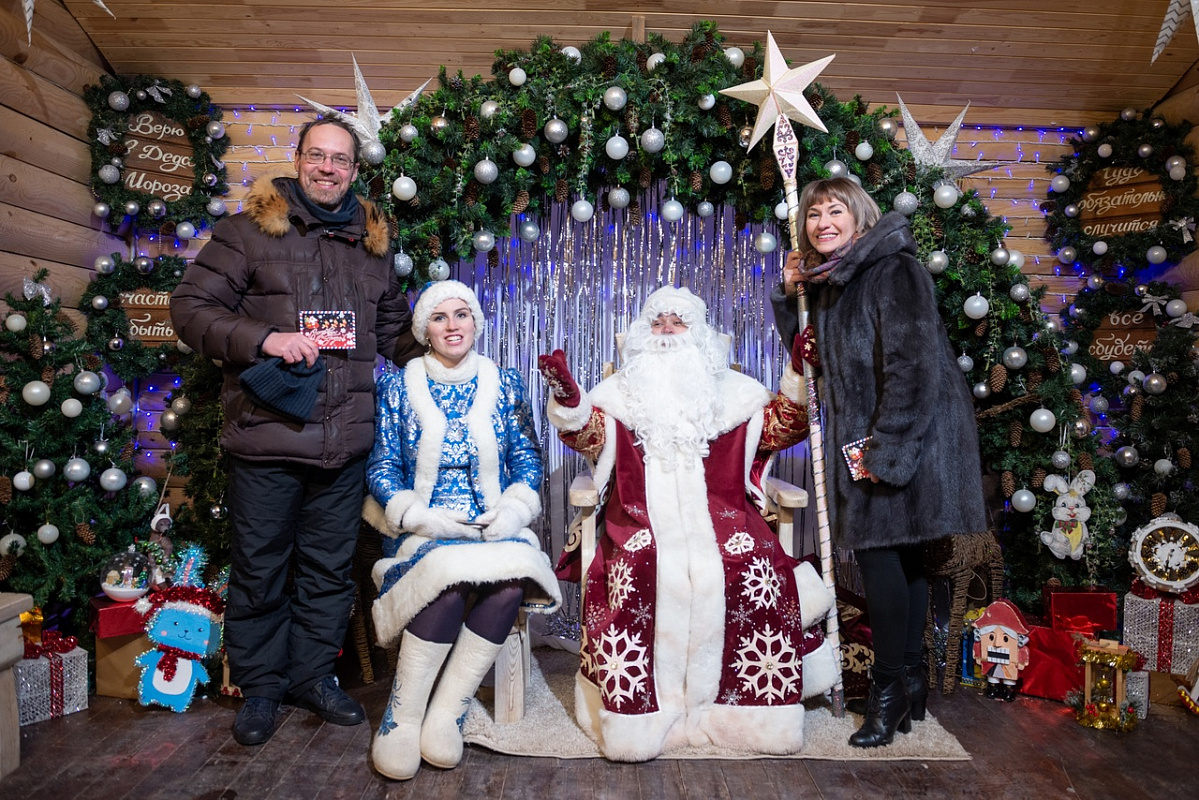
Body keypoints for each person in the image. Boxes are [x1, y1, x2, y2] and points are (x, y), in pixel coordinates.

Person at [170, 117, 424, 747]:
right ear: (299, 159)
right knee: (260, 569)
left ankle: (312, 678)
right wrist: (265, 339)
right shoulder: (248, 230)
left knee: (328, 571)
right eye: (318, 156)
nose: (328, 169)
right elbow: (189, 309)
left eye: (341, 160)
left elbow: (393, 327)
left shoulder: (371, 243)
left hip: (344, 443)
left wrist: (444, 341)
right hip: (269, 436)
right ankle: (259, 688)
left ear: (355, 171)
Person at [538, 286, 839, 762]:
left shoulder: (736, 397)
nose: (667, 333)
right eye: (658, 323)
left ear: (699, 335)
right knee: (640, 564)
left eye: (678, 323)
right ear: (641, 333)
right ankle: (639, 719)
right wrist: (569, 400)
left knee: (756, 565)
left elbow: (787, 424)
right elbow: (588, 433)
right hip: (638, 518)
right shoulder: (621, 396)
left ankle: (748, 715)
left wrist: (800, 373)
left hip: (727, 518)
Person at [772, 177, 986, 747]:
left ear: (859, 217)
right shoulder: (832, 281)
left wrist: (888, 448)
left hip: (904, 433)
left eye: (834, 210)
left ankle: (888, 689)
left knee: (879, 557)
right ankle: (911, 677)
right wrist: (787, 294)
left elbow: (913, 366)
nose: (822, 223)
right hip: (873, 436)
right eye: (813, 215)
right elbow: (808, 355)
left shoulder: (893, 270)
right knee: (906, 557)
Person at [363, 280, 562, 780]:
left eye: (462, 315)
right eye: (440, 318)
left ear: (475, 322)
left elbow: (525, 457)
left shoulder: (506, 383)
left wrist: (514, 510)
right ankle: (402, 717)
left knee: (509, 585)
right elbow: (383, 465)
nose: (453, 326)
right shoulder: (396, 385)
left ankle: (447, 711)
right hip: (425, 524)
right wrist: (416, 514)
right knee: (446, 590)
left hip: (491, 520)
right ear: (424, 330)